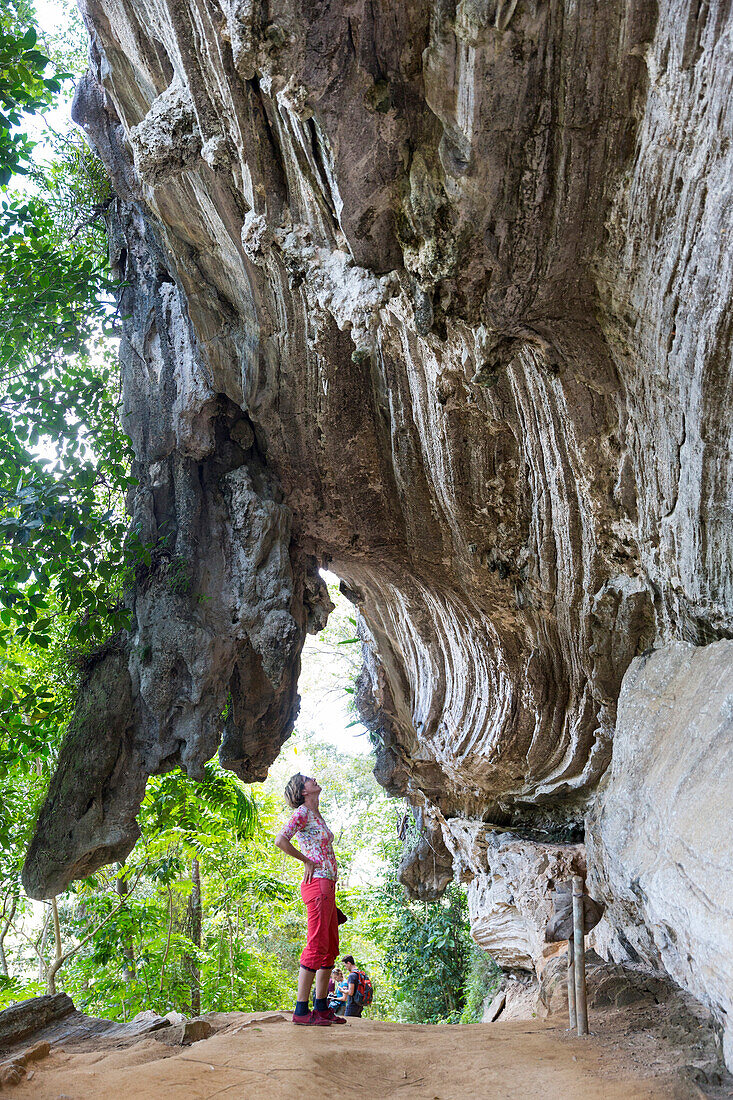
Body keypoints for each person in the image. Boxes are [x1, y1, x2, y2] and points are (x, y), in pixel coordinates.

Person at [274, 773, 347, 1027]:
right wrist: (306, 860)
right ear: (302, 791)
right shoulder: (302, 813)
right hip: (317, 884)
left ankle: (321, 1007)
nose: (313, 779)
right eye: (307, 779)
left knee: (330, 947)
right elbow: (281, 839)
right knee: (316, 945)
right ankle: (301, 1011)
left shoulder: (316, 815)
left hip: (328, 885)